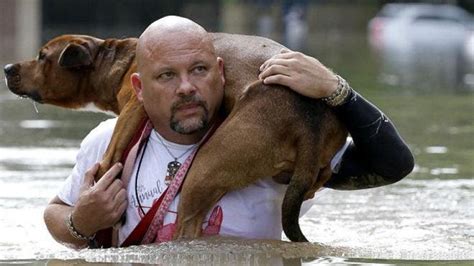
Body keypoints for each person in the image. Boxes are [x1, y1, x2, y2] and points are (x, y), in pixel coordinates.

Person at [43, 16, 414, 249]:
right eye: (167, 75)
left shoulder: (266, 146)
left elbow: (393, 164)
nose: (186, 87)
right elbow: (55, 215)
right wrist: (82, 221)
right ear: (139, 87)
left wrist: (339, 91)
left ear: (222, 71)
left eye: (200, 70)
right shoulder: (107, 141)